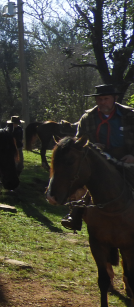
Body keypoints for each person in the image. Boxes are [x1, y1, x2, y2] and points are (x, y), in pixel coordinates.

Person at [61, 84, 134, 231]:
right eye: (99, 99)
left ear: (115, 98)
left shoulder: (130, 115)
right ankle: (75, 213)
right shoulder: (88, 117)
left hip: (126, 158)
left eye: (106, 99)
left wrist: (133, 155)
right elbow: (77, 142)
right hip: (97, 160)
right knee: (80, 181)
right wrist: (92, 146)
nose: (102, 103)